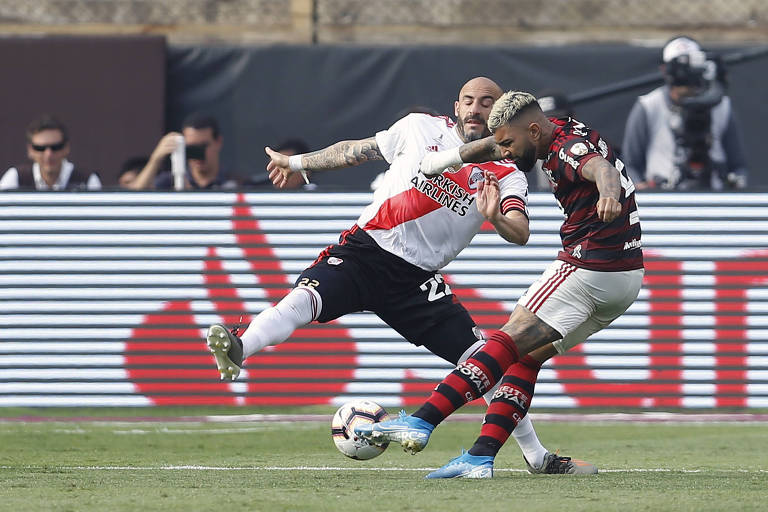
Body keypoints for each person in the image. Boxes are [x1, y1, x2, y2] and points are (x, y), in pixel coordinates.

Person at [206, 77, 591, 474]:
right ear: (455, 107)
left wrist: (495, 216)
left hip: (417, 280)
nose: (476, 108)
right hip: (365, 252)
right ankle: (241, 346)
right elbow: (354, 152)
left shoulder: (507, 170)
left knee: (487, 365)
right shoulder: (418, 128)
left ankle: (536, 456)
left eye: (487, 102)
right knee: (301, 300)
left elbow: (520, 230)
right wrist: (297, 163)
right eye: (469, 101)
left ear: (498, 113)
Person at [356, 90, 643, 479]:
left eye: (509, 144)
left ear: (534, 130)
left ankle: (422, 420)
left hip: (589, 265)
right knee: (526, 357)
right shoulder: (552, 129)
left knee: (502, 342)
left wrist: (608, 195)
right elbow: (491, 145)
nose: (504, 152)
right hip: (625, 279)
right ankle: (480, 457)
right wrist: (442, 160)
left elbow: (601, 171)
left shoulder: (566, 149)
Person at [622, 36, 748, 190]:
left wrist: (736, 183)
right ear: (664, 69)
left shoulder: (721, 105)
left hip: (713, 193)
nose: (684, 75)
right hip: (662, 194)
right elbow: (630, 163)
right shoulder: (648, 106)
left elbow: (737, 164)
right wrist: (639, 187)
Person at [128, 113, 237, 190]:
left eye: (203, 146)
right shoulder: (169, 181)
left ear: (218, 142)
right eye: (191, 147)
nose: (197, 153)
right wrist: (156, 159)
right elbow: (135, 200)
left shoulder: (235, 183)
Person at [0, 115, 101, 191]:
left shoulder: (87, 181)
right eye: (40, 148)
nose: (48, 154)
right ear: (30, 150)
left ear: (66, 148)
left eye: (55, 147)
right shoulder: (16, 178)